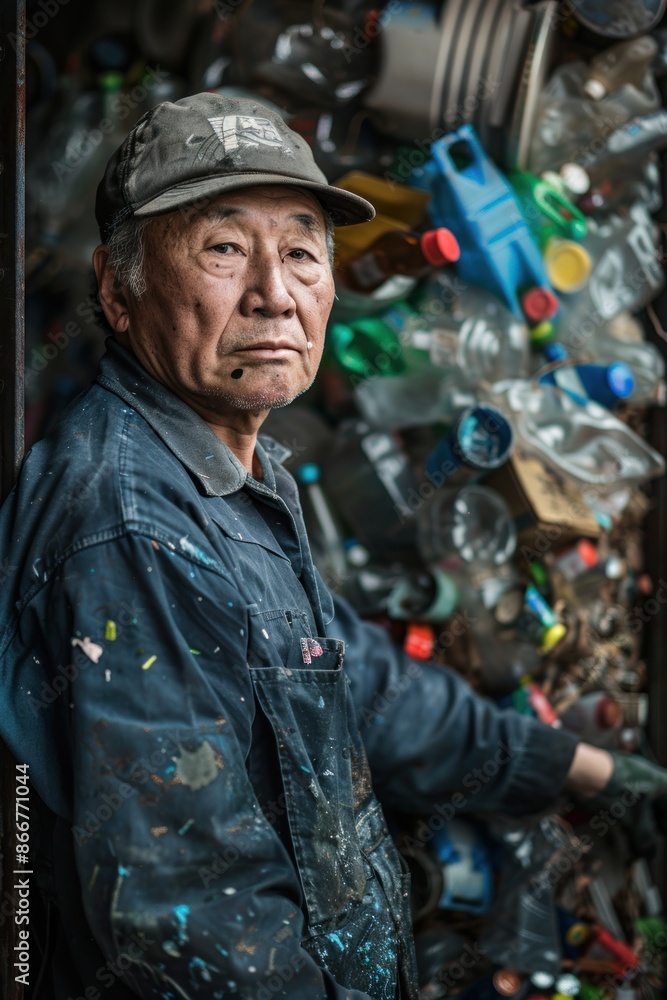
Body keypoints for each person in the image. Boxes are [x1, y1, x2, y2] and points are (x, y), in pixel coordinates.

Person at [0, 92, 666, 1000]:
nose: (276, 292)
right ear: (119, 291)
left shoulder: (227, 472)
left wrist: (575, 768)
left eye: (304, 251)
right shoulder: (132, 527)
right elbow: (196, 922)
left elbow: (348, 677)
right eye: (225, 248)